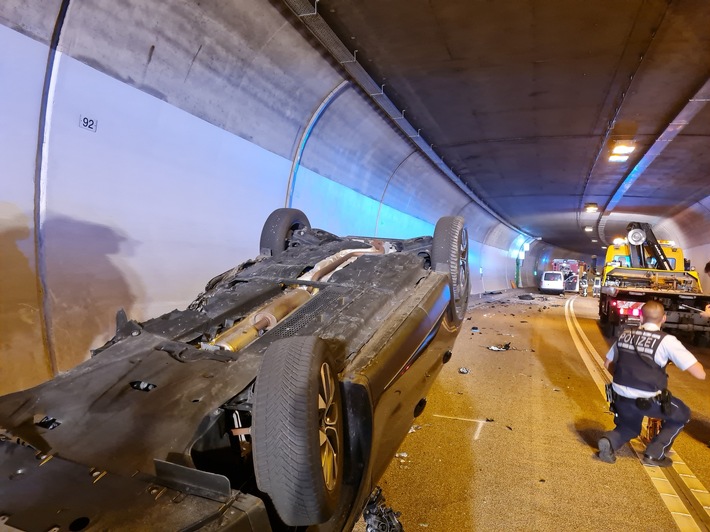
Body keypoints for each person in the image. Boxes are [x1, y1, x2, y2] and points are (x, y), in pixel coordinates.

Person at [597, 300, 706, 466]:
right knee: (682, 414)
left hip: (620, 397)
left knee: (630, 427)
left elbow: (607, 363)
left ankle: (609, 440)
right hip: (648, 400)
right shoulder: (667, 341)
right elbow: (700, 374)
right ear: (663, 319)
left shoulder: (625, 334)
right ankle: (655, 454)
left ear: (641, 317)